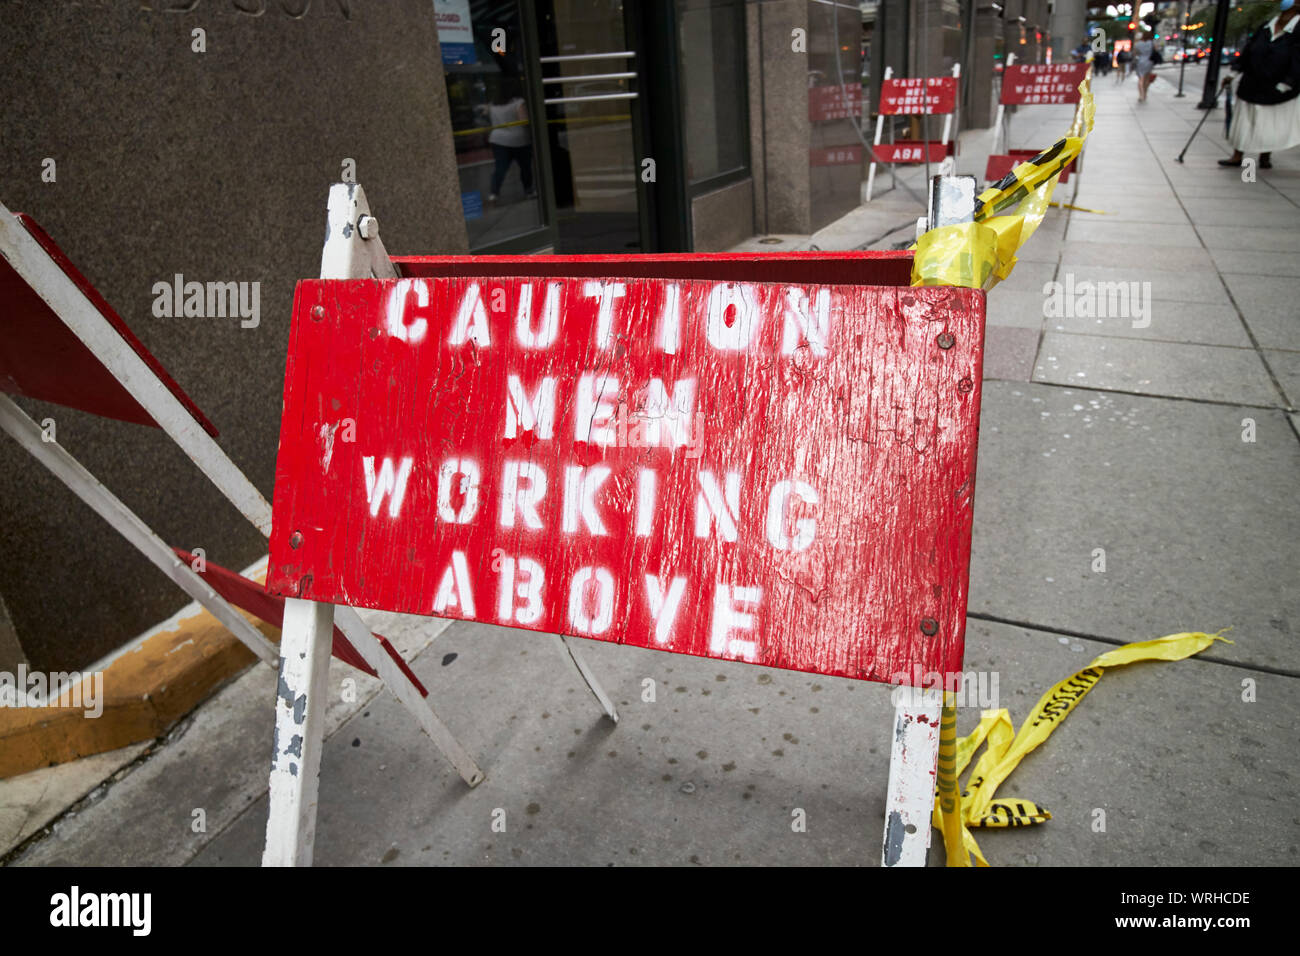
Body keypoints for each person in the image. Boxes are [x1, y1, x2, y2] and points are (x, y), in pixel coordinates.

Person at [1219, 0, 1300, 169]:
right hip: (1252, 81)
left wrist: (1288, 82)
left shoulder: (1298, 29)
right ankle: (1237, 155)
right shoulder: (1266, 26)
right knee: (1244, 120)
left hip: (1276, 86)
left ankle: (1265, 156)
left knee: (1267, 123)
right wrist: (1234, 72)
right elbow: (1249, 50)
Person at [487, 77, 534, 202]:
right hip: (519, 140)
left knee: (500, 167)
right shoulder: (518, 102)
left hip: (497, 139)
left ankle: (494, 192)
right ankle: (528, 190)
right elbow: (524, 121)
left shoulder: (493, 104)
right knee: (525, 167)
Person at [1133, 31, 1157, 102]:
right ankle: (1145, 94)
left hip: (1140, 61)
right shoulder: (1151, 43)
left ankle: (1141, 95)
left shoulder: (1138, 44)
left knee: (1140, 79)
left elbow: (1135, 53)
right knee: (1147, 79)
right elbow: (1156, 50)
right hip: (1149, 61)